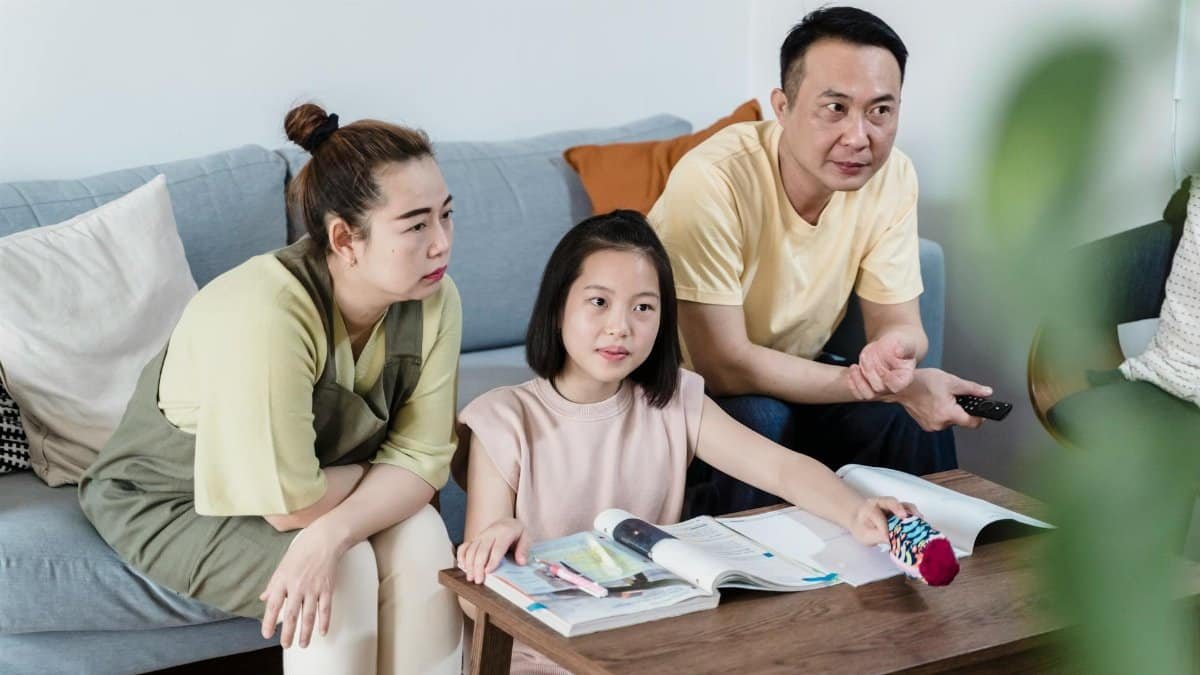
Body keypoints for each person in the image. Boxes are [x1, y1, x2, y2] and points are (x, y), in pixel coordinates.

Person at [79, 103, 464, 674]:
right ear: (344, 239)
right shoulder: (267, 312)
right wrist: (373, 474)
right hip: (174, 502)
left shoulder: (436, 298)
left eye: (446, 215)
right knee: (346, 574)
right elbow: (292, 507)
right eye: (415, 224)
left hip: (306, 490)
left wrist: (334, 527)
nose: (441, 244)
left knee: (425, 536)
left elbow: (425, 461)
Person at [454, 210, 916, 674]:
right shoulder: (502, 419)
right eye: (598, 302)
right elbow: (478, 601)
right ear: (557, 308)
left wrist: (857, 511)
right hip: (544, 654)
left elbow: (780, 468)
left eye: (643, 307)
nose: (621, 326)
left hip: (652, 642)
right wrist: (495, 544)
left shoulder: (673, 399)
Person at [646, 6, 993, 516]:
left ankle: (939, 564)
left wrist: (890, 359)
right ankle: (765, 587)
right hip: (684, 388)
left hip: (796, 376)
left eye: (881, 110)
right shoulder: (715, 180)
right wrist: (889, 389)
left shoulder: (892, 177)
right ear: (782, 107)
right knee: (759, 419)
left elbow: (901, 324)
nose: (860, 137)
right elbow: (723, 366)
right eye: (835, 108)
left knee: (906, 421)